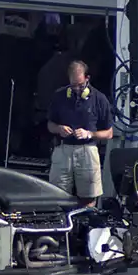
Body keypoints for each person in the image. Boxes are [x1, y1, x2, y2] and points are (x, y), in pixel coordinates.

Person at [46, 60, 114, 206]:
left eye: (80, 85)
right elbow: (50, 125)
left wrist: (89, 134)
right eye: (73, 85)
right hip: (63, 150)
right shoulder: (59, 96)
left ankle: (87, 225)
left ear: (87, 78)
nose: (77, 89)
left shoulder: (99, 99)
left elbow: (109, 133)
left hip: (87, 150)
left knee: (89, 197)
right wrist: (59, 129)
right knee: (56, 194)